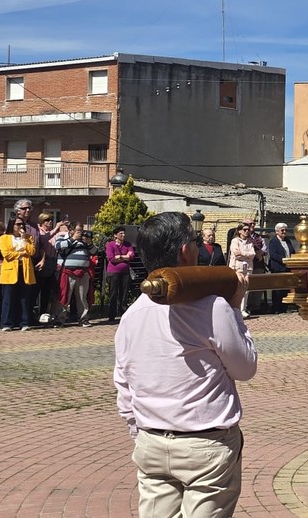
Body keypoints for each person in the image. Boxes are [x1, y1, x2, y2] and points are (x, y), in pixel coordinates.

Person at [114, 212, 257, 517]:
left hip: (150, 440)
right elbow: (245, 368)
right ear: (184, 250)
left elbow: (123, 384)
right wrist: (234, 307)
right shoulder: (213, 307)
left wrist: (138, 433)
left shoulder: (131, 315)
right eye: (194, 240)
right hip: (206, 445)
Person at [0, 218, 37, 331]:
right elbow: (7, 254)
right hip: (10, 271)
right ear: (12, 225)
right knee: (8, 298)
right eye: (18, 224)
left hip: (24, 270)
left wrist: (25, 239)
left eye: (22, 224)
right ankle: (6, 323)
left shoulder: (28, 237)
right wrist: (21, 253)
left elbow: (31, 251)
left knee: (24, 298)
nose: (21, 227)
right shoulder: (4, 238)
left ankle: (24, 322)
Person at [56, 229, 97, 327]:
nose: (81, 233)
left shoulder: (84, 242)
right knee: (64, 295)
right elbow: (58, 246)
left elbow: (95, 251)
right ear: (72, 231)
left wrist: (88, 242)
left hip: (83, 273)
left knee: (82, 297)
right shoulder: (62, 238)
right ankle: (60, 319)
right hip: (68, 272)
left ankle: (83, 319)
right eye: (78, 231)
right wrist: (73, 239)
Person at [105, 228, 136, 323]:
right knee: (113, 294)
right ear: (115, 235)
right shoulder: (110, 245)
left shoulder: (128, 244)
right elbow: (111, 258)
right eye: (121, 233)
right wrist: (125, 256)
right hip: (113, 272)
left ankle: (123, 314)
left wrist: (120, 257)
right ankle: (111, 316)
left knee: (124, 294)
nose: (123, 235)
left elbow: (131, 256)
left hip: (125, 273)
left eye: (124, 233)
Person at [266, 223, 298, 312]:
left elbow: (292, 251)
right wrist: (283, 259)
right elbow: (273, 255)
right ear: (277, 232)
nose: (284, 232)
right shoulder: (273, 241)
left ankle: (284, 307)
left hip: (287, 268)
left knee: (285, 288)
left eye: (285, 230)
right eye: (282, 230)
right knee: (277, 289)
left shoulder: (287, 240)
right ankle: (276, 308)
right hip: (277, 268)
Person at [228, 224, 257, 319]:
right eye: (244, 229)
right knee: (238, 287)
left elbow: (253, 254)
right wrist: (246, 255)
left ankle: (243, 309)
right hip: (237, 267)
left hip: (248, 267)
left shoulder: (250, 242)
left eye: (248, 230)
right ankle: (235, 308)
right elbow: (236, 254)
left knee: (246, 288)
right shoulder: (235, 241)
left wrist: (243, 254)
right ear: (239, 231)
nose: (247, 231)